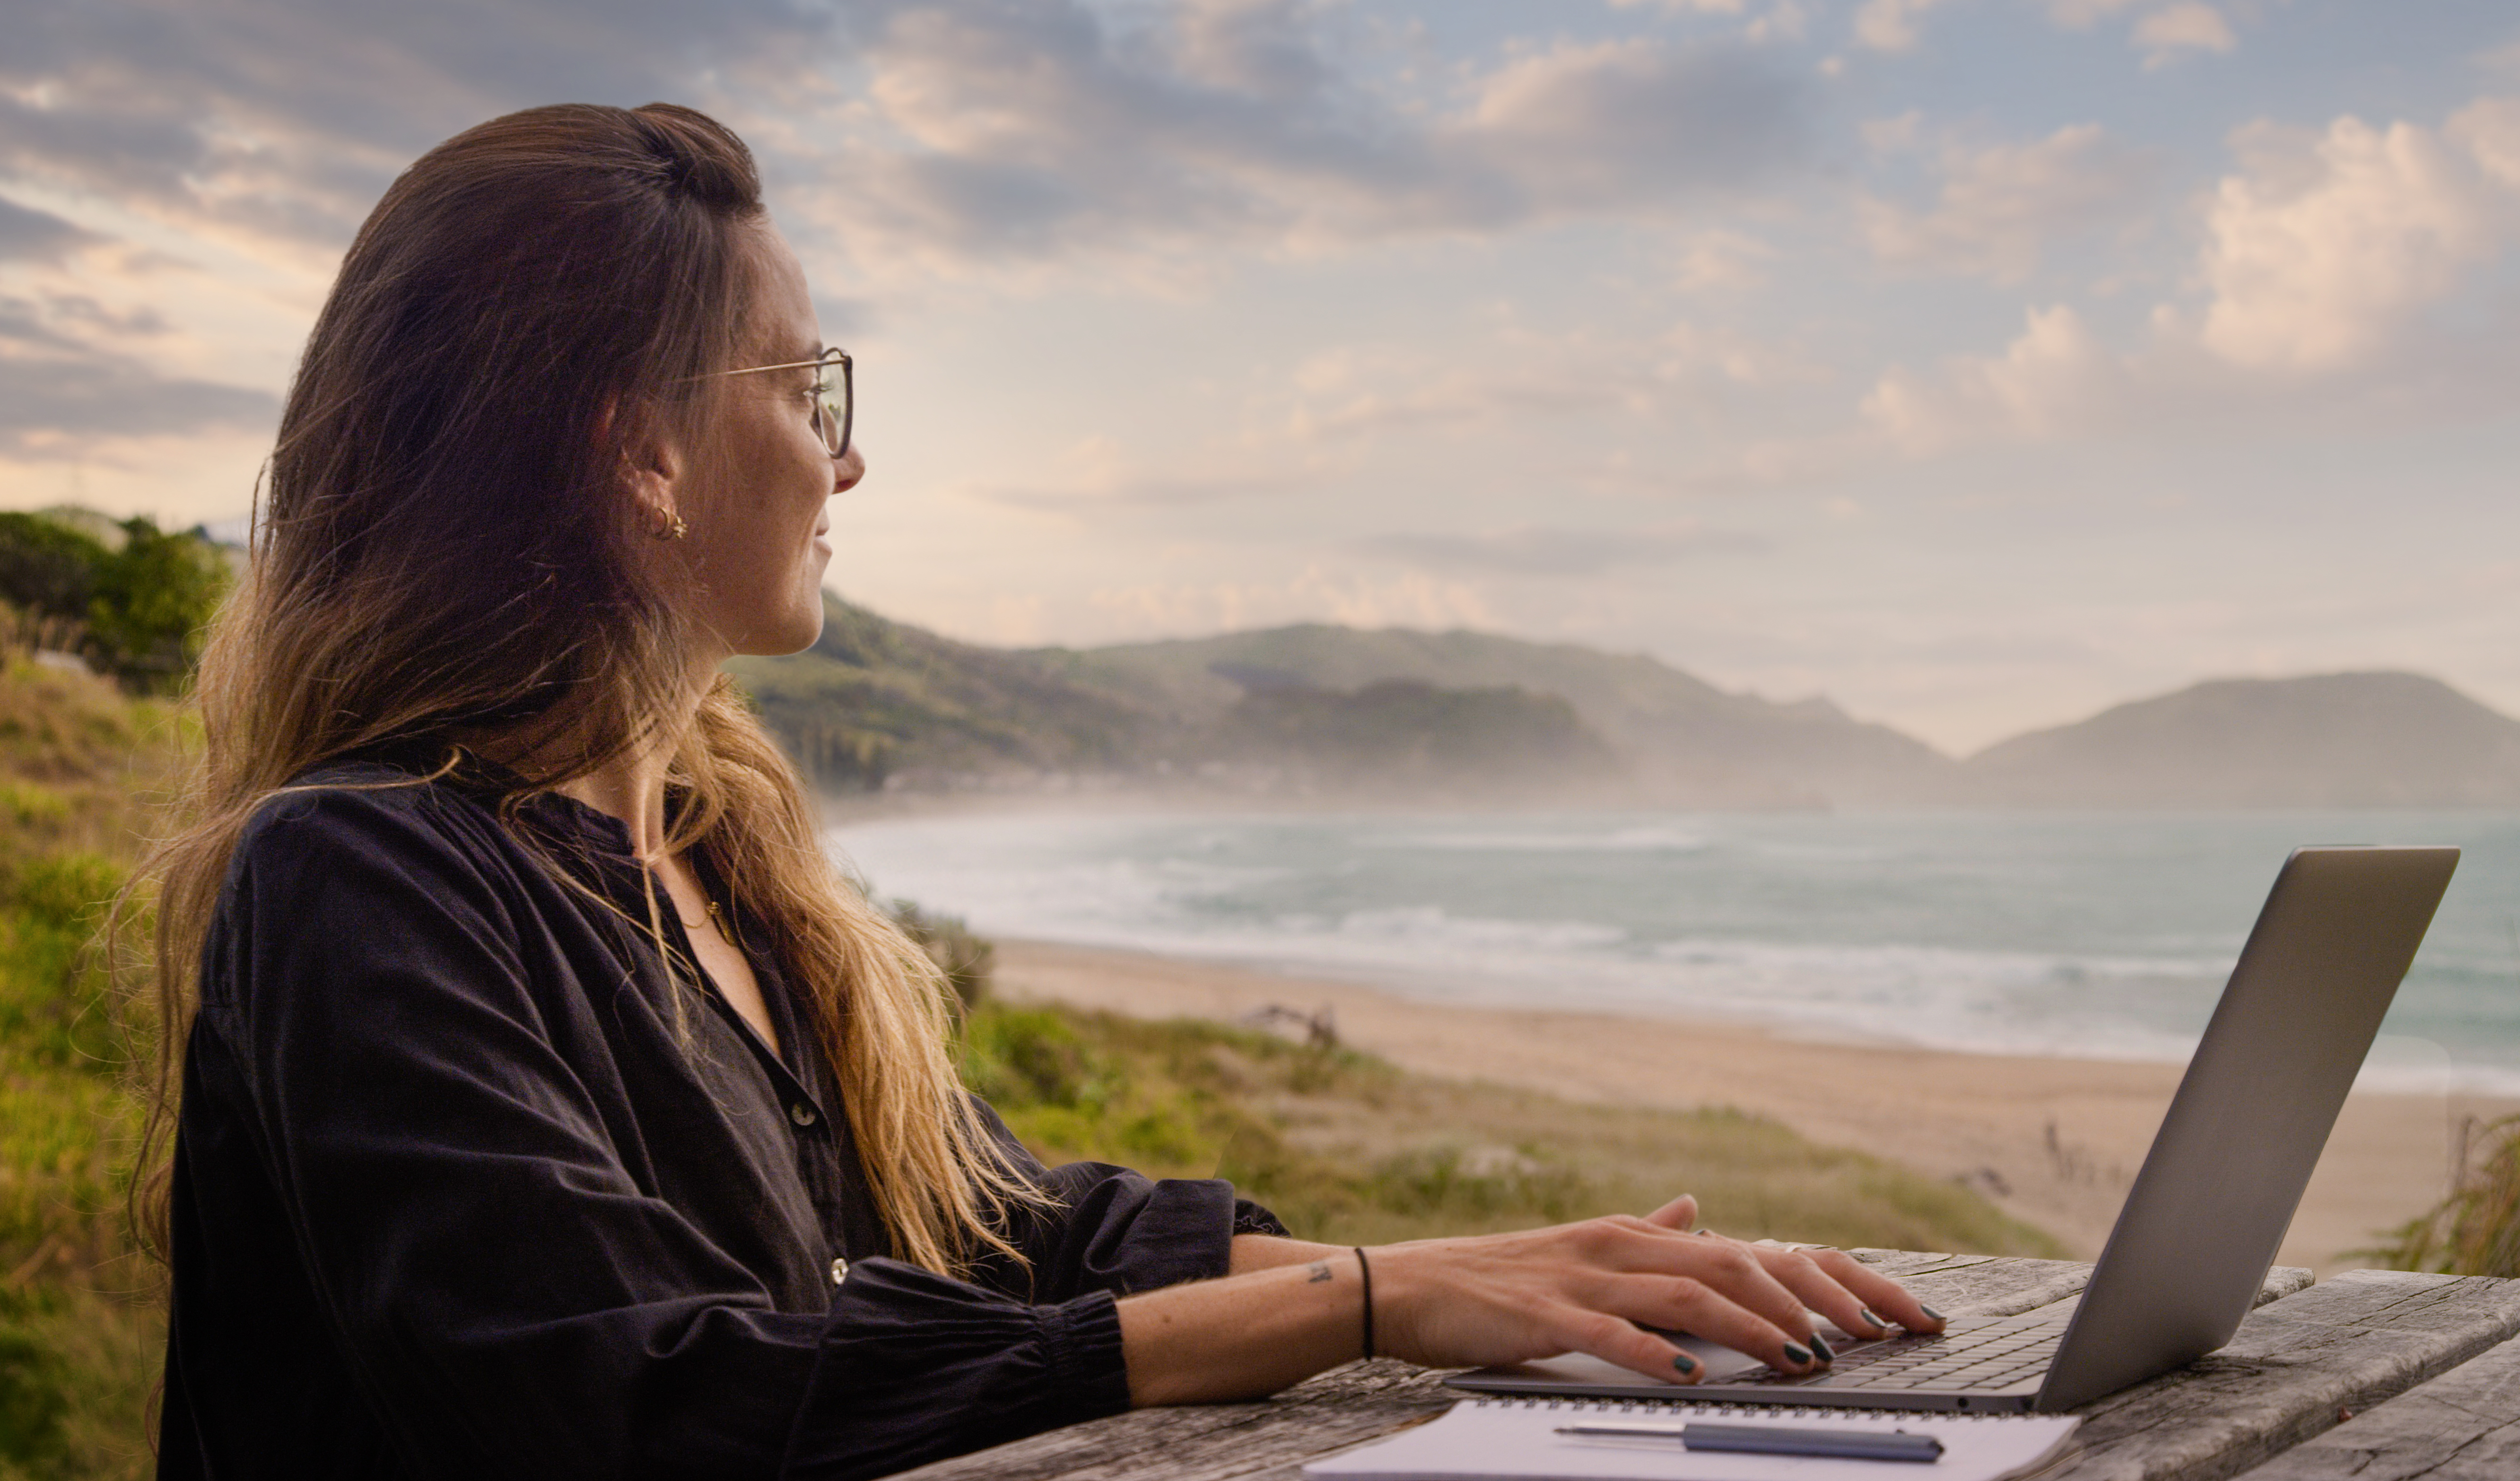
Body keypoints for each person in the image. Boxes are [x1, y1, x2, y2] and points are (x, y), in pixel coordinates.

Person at [142, 103, 1939, 1481]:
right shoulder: (364, 875)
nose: (850, 452)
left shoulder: (716, 859)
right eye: (807, 382)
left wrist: (1491, 1271)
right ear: (646, 454)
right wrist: (1368, 1305)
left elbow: (995, 1221)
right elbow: (635, 1395)